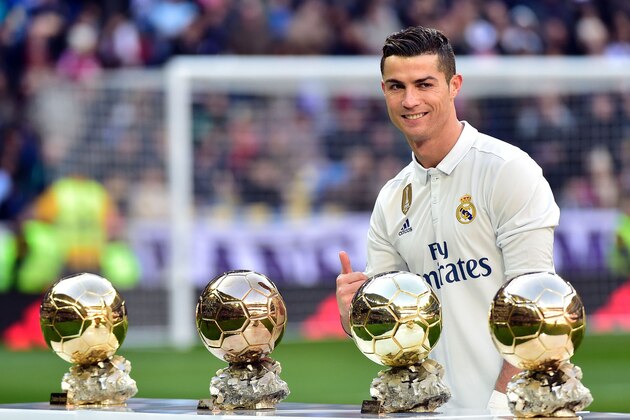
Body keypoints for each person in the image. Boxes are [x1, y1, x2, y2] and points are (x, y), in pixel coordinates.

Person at [335, 26, 560, 410]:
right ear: (384, 91)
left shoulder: (506, 170)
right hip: (428, 411)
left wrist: (500, 406)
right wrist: (353, 317)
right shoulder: (391, 200)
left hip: (510, 409)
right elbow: (395, 337)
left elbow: (537, 310)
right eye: (396, 86)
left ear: (454, 85)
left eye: (424, 84)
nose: (410, 100)